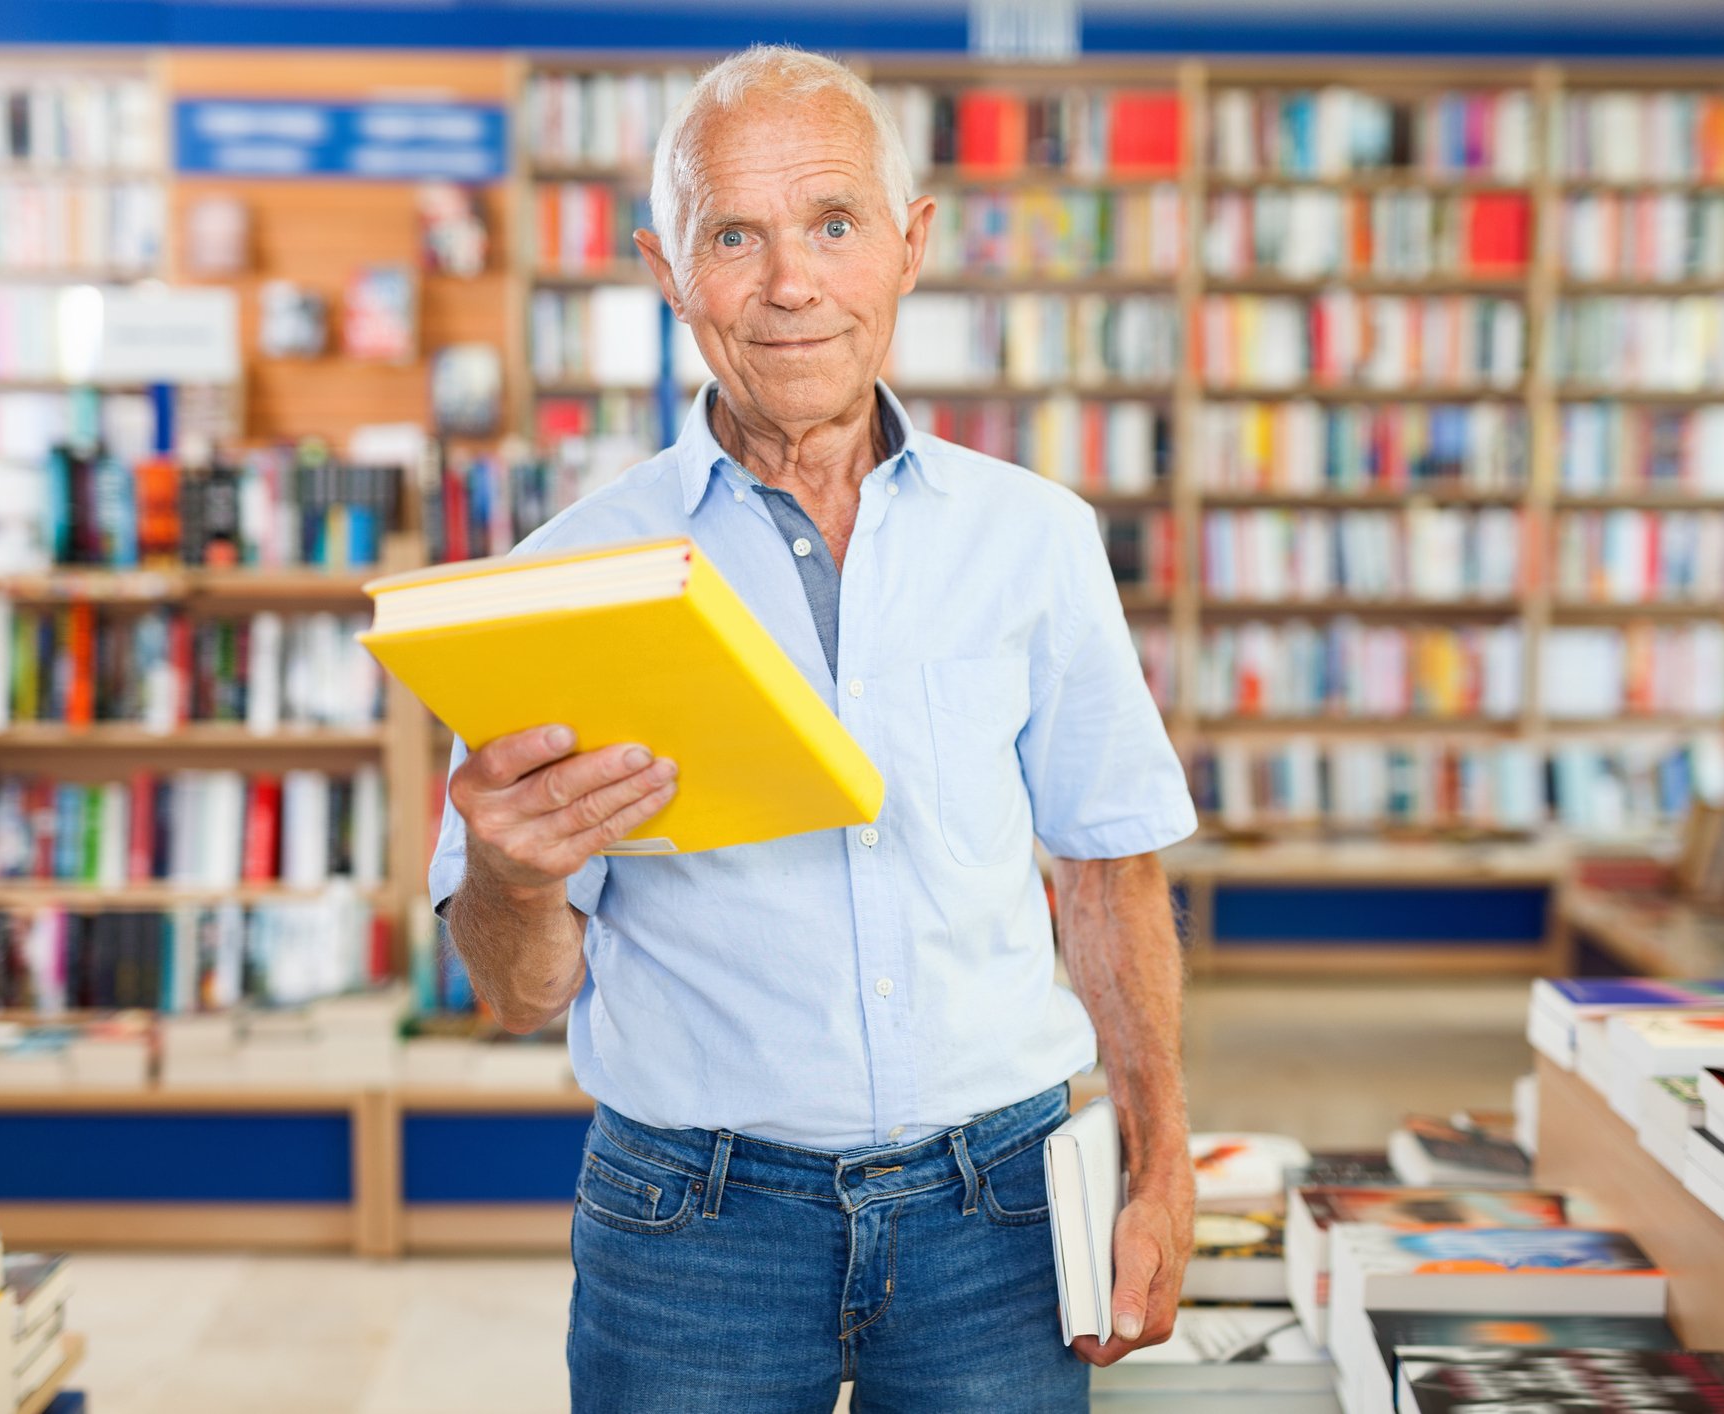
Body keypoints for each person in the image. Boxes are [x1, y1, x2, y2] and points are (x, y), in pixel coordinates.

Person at [429, 43, 1197, 1413]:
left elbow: (1107, 866)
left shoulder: (1035, 539)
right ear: (667, 271)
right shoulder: (564, 583)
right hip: (690, 1227)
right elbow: (517, 992)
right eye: (735, 235)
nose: (790, 283)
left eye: (832, 224)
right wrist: (512, 869)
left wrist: (1159, 1165)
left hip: (1000, 1212)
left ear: (909, 247)